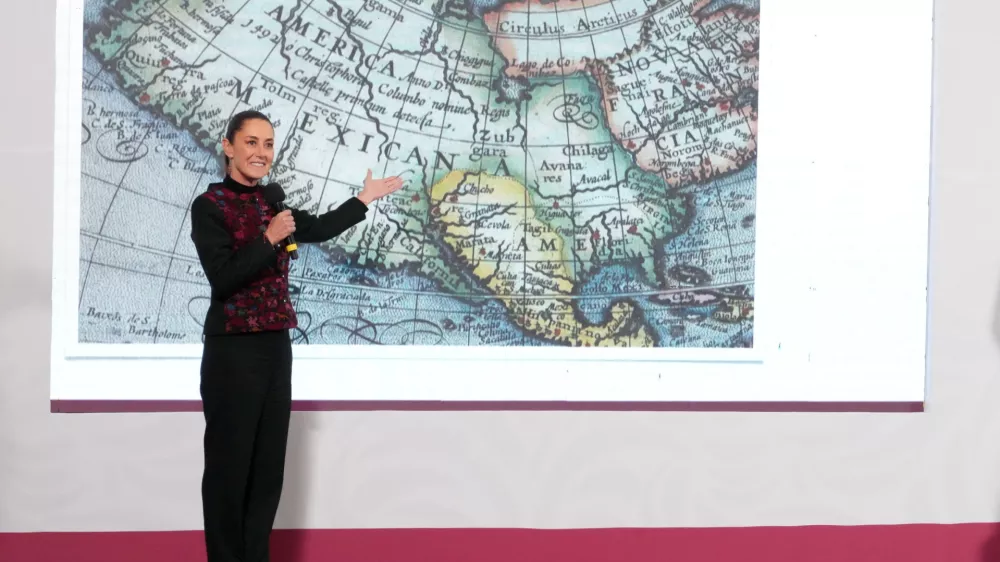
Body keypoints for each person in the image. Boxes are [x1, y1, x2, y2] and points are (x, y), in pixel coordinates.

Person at [189, 109, 404, 562]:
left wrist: (364, 199)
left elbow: (320, 228)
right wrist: (268, 239)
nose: (261, 152)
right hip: (233, 351)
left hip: (274, 347)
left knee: (267, 471)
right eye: (251, 142)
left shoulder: (273, 204)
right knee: (230, 469)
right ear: (228, 147)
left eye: (268, 144)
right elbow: (223, 277)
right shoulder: (210, 206)